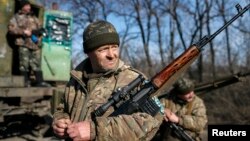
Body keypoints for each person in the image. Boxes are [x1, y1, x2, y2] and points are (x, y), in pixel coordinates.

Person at [52, 20, 163, 141]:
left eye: (114, 47)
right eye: (103, 49)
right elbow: (62, 109)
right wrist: (60, 122)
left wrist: (95, 130)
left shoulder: (135, 80)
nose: (112, 54)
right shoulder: (76, 79)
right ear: (88, 52)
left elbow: (151, 121)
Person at [7, 0, 50, 87]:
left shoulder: (34, 18)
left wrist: (38, 36)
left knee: (36, 64)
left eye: (29, 5)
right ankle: (25, 82)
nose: (29, 7)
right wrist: (23, 32)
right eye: (26, 6)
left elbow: (41, 29)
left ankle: (40, 82)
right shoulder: (16, 17)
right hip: (23, 44)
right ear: (22, 7)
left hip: (34, 44)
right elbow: (11, 29)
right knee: (24, 64)